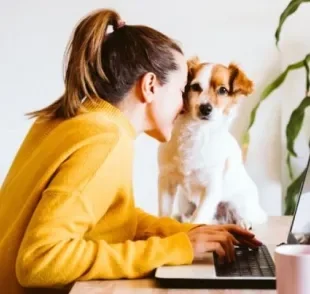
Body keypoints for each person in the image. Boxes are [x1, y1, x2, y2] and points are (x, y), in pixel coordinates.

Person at [0, 8, 261, 294]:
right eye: (182, 90)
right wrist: (173, 248)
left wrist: (189, 233)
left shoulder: (76, 119)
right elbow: (39, 261)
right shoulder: (104, 139)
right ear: (150, 86)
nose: (186, 106)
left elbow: (115, 217)